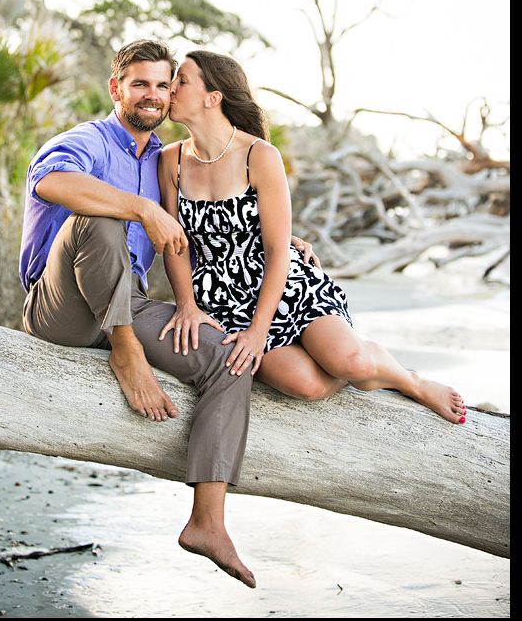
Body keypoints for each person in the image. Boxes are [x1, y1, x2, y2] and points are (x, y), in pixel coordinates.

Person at [19, 37, 318, 590]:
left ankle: (207, 522)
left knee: (231, 360)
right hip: (59, 307)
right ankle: (126, 353)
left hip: (124, 300)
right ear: (116, 89)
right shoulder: (86, 140)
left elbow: (211, 220)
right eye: (141, 84)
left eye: (165, 84)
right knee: (99, 217)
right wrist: (139, 207)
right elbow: (51, 183)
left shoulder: (161, 159)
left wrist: (280, 235)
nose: (155, 95)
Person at [157, 49, 468, 427]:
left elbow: (276, 249)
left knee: (347, 362)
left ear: (213, 97)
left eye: (181, 81)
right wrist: (187, 305)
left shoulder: (259, 155)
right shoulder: (170, 160)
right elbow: (176, 243)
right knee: (305, 385)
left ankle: (409, 380)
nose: (170, 89)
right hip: (223, 301)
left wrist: (258, 332)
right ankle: (360, 369)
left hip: (283, 285)